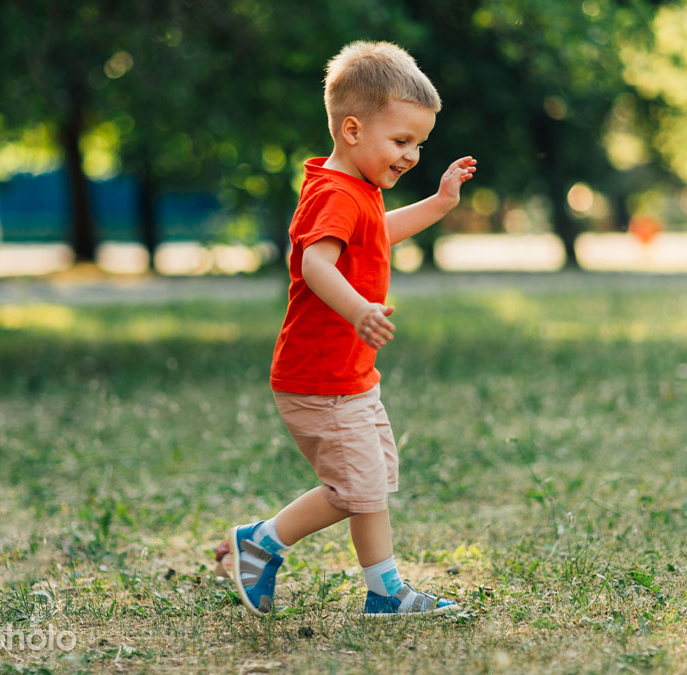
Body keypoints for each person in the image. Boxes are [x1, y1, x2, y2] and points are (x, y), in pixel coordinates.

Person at [228, 40, 477, 619]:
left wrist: (439, 204)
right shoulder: (335, 194)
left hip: (349, 375)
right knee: (353, 489)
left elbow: (378, 233)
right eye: (401, 141)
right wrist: (358, 309)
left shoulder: (356, 190)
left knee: (372, 481)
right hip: (320, 379)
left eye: (419, 144)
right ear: (352, 129)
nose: (411, 155)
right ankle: (262, 544)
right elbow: (316, 264)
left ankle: (383, 590)